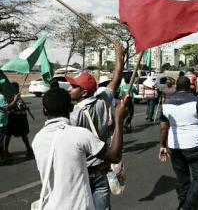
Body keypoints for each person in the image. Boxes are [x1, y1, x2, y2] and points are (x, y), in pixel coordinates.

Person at [32, 87, 129, 210]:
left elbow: (64, 169)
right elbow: (115, 156)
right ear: (71, 108)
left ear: (44, 110)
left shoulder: (37, 140)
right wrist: (119, 119)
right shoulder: (80, 134)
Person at [66, 42, 124, 210]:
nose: (70, 89)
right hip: (102, 168)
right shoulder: (103, 100)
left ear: (84, 92)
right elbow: (117, 77)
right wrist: (119, 54)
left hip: (82, 171)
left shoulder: (73, 114)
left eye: (74, 87)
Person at [159, 76, 198, 210]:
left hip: (174, 147)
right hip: (194, 146)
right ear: (190, 87)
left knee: (182, 179)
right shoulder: (197, 102)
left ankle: (183, 204)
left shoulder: (166, 104)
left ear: (177, 87)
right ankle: (187, 206)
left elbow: (164, 128)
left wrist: (162, 146)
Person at [4, 82, 33, 159]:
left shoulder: (16, 95)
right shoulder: (11, 96)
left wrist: (24, 107)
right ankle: (6, 151)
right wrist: (25, 108)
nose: (17, 89)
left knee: (13, 134)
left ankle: (28, 149)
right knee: (15, 134)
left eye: (17, 87)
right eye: (16, 87)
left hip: (18, 117)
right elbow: (15, 107)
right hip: (15, 118)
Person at [0, 85, 19, 163]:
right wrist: (15, 100)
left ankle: (3, 157)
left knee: (1, 142)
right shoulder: (1, 97)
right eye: (1, 85)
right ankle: (3, 159)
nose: (3, 86)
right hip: (1, 123)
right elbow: (6, 108)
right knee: (0, 141)